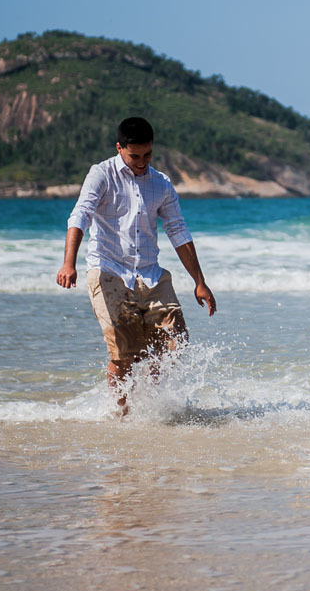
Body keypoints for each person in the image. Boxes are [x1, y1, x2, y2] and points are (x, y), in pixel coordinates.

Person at [56, 116, 216, 415]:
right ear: (120, 148)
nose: (141, 162)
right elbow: (80, 216)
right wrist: (69, 263)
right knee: (122, 355)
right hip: (108, 271)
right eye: (134, 156)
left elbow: (178, 231)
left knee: (175, 342)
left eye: (148, 155)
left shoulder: (161, 183)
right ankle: (121, 415)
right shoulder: (101, 174)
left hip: (150, 273)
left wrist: (199, 281)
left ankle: (147, 403)